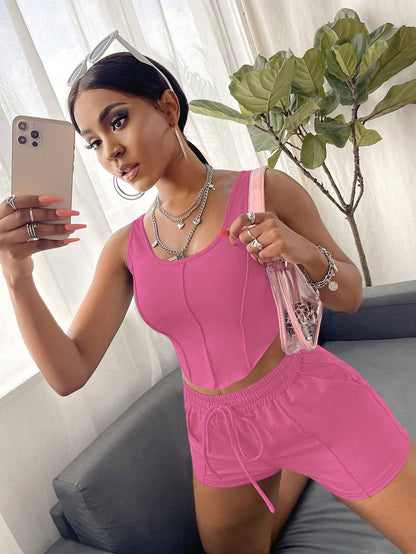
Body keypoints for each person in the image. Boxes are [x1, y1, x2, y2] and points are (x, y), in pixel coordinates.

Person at [1, 34, 415, 554]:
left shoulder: (265, 189)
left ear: (167, 107)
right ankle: (296, 473)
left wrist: (304, 252)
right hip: (219, 437)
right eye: (93, 142)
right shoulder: (124, 249)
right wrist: (17, 275)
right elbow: (68, 373)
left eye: (117, 121)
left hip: (315, 401)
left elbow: (349, 295)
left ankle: (304, 465)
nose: (110, 151)